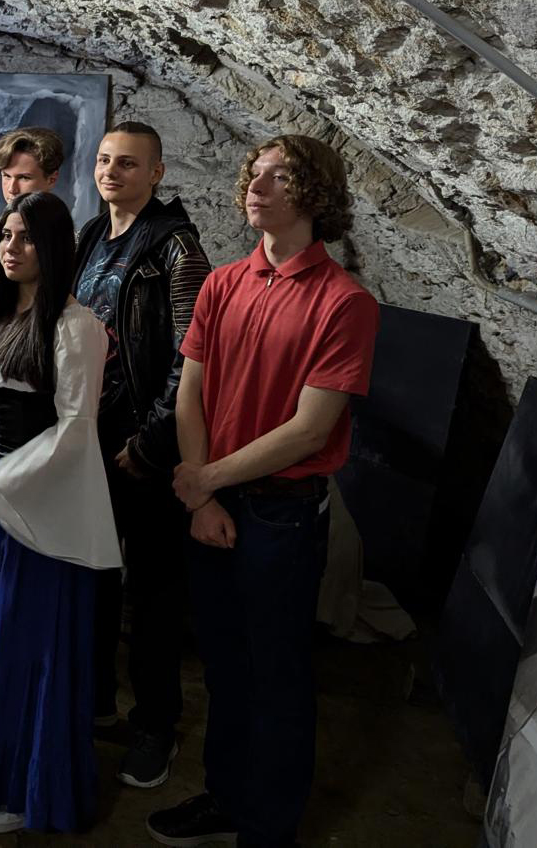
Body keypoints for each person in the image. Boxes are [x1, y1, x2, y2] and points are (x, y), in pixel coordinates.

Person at [145, 135, 379, 848]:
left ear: (315, 194)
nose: (257, 185)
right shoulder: (223, 283)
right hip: (212, 503)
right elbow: (190, 394)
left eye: (279, 177)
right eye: (256, 173)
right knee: (223, 665)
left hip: (280, 512)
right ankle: (226, 797)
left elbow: (310, 430)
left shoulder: (345, 302)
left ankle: (268, 828)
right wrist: (203, 497)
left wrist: (206, 480)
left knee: (277, 674)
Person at [0, 190, 121, 835]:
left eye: (28, 238)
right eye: (8, 236)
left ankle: (18, 785)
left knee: (22, 642)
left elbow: (75, 430)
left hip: (35, 501)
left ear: (55, 247)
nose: (13, 248)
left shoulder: (76, 326)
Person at [75, 120, 211, 788]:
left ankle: (157, 725)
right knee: (95, 581)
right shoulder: (91, 235)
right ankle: (98, 702)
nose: (111, 171)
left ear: (156, 172)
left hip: (145, 449)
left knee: (154, 597)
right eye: (105, 160)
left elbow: (192, 355)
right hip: (90, 441)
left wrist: (151, 442)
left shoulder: (176, 247)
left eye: (127, 163)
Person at [0, 127, 63, 291]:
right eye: (6, 176)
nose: (12, 189)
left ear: (51, 179)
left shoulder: (68, 243)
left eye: (24, 178)